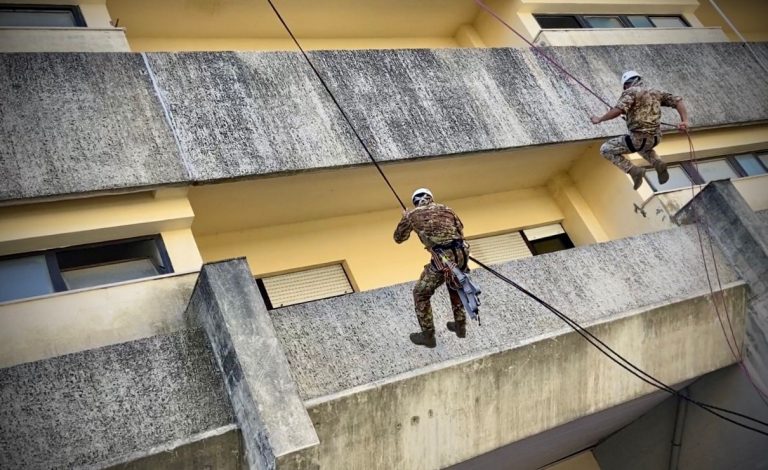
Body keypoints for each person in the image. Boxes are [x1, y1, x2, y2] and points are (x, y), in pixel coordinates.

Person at [394, 188, 469, 348]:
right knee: (454, 283)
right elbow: (460, 229)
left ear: (415, 202)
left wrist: (405, 218)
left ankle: (428, 335)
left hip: (443, 257)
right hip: (462, 253)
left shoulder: (412, 215)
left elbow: (399, 238)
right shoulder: (447, 209)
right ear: (431, 198)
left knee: (420, 293)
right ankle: (460, 325)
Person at [591, 70, 689, 190]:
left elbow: (618, 110)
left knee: (606, 149)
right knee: (641, 147)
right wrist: (684, 121)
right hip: (656, 138)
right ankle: (657, 162)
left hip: (639, 138)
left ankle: (634, 171)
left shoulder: (630, 92)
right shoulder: (655, 92)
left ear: (626, 85)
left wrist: (599, 119)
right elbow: (677, 101)